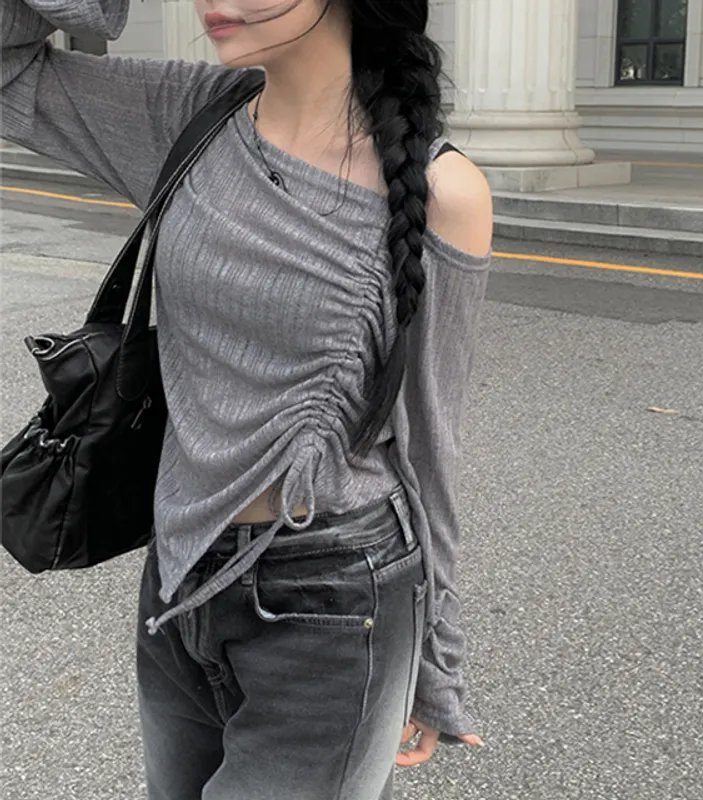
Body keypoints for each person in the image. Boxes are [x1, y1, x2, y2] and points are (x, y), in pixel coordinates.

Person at [1, 0, 493, 797]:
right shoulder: (188, 114)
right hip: (178, 579)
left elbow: (433, 441)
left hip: (335, 605)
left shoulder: (443, 189)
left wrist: (436, 660)